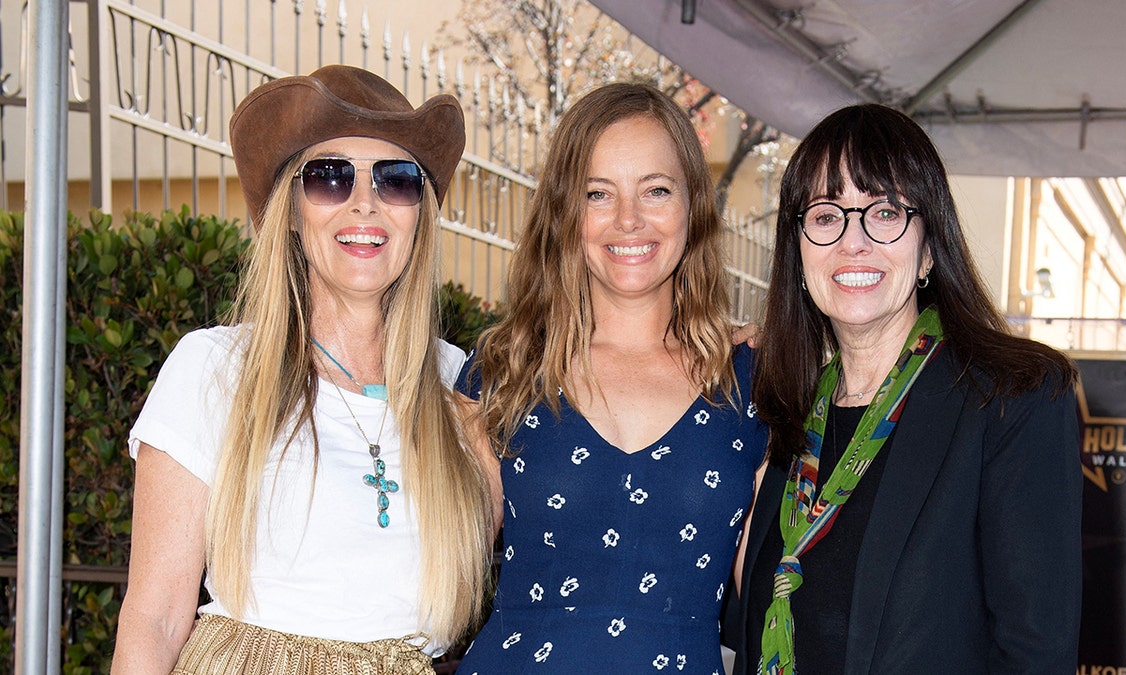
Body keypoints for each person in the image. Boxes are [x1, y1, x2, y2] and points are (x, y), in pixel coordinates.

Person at [111, 65, 494, 674]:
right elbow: (154, 617)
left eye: (396, 180)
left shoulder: (461, 385)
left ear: (420, 212)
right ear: (290, 211)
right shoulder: (214, 369)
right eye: (329, 177)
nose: (364, 202)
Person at [722, 103, 1082, 674]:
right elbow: (750, 618)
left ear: (930, 248)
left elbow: (1036, 652)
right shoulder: (784, 418)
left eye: (884, 211)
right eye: (825, 215)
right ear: (798, 251)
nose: (853, 242)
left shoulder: (1012, 399)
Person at [454, 82, 768, 673]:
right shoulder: (505, 369)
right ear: (564, 212)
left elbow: (775, 600)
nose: (629, 220)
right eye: (599, 193)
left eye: (656, 190)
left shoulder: (751, 383)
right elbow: (439, 569)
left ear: (694, 205)